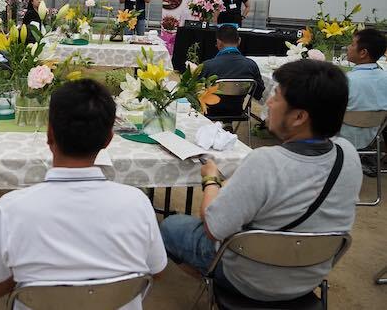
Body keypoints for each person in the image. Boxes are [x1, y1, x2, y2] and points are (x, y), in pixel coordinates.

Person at [160, 60, 362, 302]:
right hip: (308, 278)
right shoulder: (347, 154)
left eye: (276, 96)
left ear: (299, 116)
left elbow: (213, 229)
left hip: (248, 279)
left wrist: (211, 179)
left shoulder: (265, 161)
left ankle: (214, 283)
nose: (268, 102)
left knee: (171, 226)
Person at [0, 79, 166, 307]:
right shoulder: (138, 203)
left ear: (49, 134)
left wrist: (31, 273)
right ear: (108, 140)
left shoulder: (11, 208)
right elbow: (157, 271)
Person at [339, 28, 387, 177]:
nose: (348, 47)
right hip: (371, 137)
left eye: (352, 44)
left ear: (363, 53)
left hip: (340, 137)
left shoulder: (346, 81)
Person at [201, 25, 265, 117]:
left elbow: (195, 91)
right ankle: (228, 124)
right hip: (238, 111)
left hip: (211, 111)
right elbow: (258, 93)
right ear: (239, 41)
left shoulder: (208, 65)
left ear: (218, 43)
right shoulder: (251, 65)